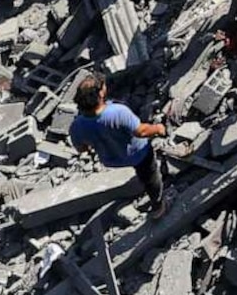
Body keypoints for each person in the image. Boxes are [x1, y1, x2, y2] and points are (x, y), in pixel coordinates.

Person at [70, 75, 170, 205]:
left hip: (111, 159)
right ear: (100, 94)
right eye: (103, 86)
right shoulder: (118, 112)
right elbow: (141, 131)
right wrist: (158, 128)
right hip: (138, 153)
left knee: (140, 170)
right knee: (150, 176)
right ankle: (158, 206)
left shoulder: (76, 126)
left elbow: (82, 148)